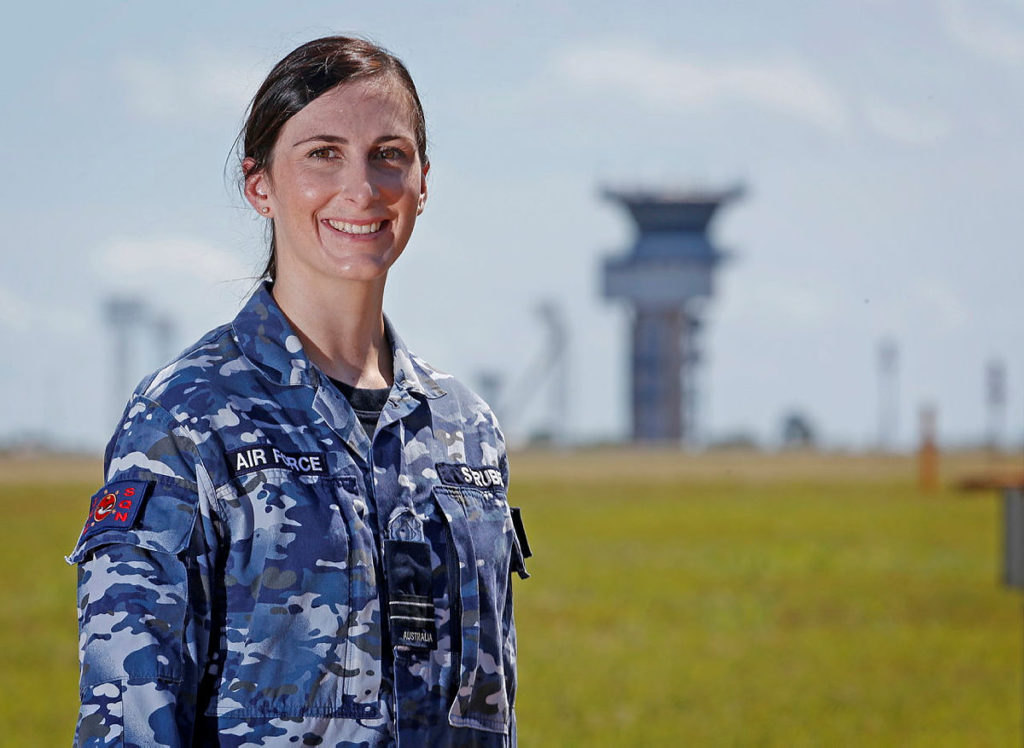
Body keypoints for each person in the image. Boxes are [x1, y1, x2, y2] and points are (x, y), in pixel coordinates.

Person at [67, 36, 530, 747]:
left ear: (424, 182)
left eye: (389, 154)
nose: (362, 187)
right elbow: (128, 714)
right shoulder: (187, 416)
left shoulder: (464, 427)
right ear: (260, 185)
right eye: (323, 153)